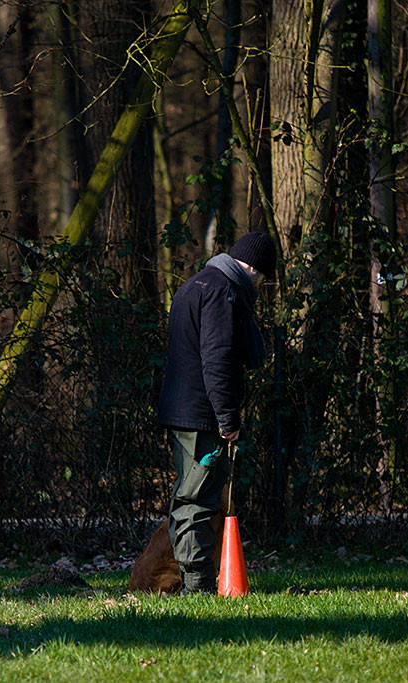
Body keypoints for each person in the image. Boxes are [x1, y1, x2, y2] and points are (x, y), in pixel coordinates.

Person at [157, 231, 277, 593]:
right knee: (197, 501)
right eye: (263, 276)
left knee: (192, 497)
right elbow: (218, 361)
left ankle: (197, 581)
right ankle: (199, 588)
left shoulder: (194, 285)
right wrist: (228, 419)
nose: (261, 284)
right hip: (203, 416)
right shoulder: (223, 293)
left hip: (183, 411)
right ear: (254, 268)